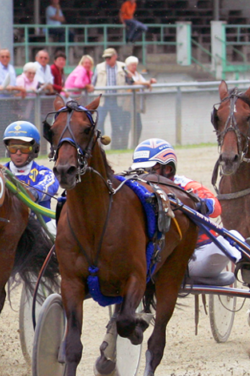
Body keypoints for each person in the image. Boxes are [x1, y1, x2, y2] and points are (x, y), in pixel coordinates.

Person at [131, 138, 241, 282]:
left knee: (233, 236)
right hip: (151, 260)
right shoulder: (134, 188)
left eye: (151, 169)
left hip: (195, 258)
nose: (143, 174)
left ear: (168, 169)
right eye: (139, 169)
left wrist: (198, 204)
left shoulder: (184, 185)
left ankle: (248, 269)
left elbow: (216, 208)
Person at [2, 121, 59, 234]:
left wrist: (33, 193)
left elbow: (50, 185)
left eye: (24, 148)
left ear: (35, 149)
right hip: (8, 228)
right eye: (13, 148)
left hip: (41, 227)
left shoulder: (44, 173)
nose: (18, 153)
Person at [93, 48, 128, 148]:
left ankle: (116, 146)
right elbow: (93, 82)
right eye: (105, 58)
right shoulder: (99, 67)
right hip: (103, 100)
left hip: (116, 100)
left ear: (115, 57)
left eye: (109, 57)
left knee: (117, 124)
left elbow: (129, 81)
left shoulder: (122, 67)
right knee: (99, 123)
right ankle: (99, 147)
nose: (107, 60)